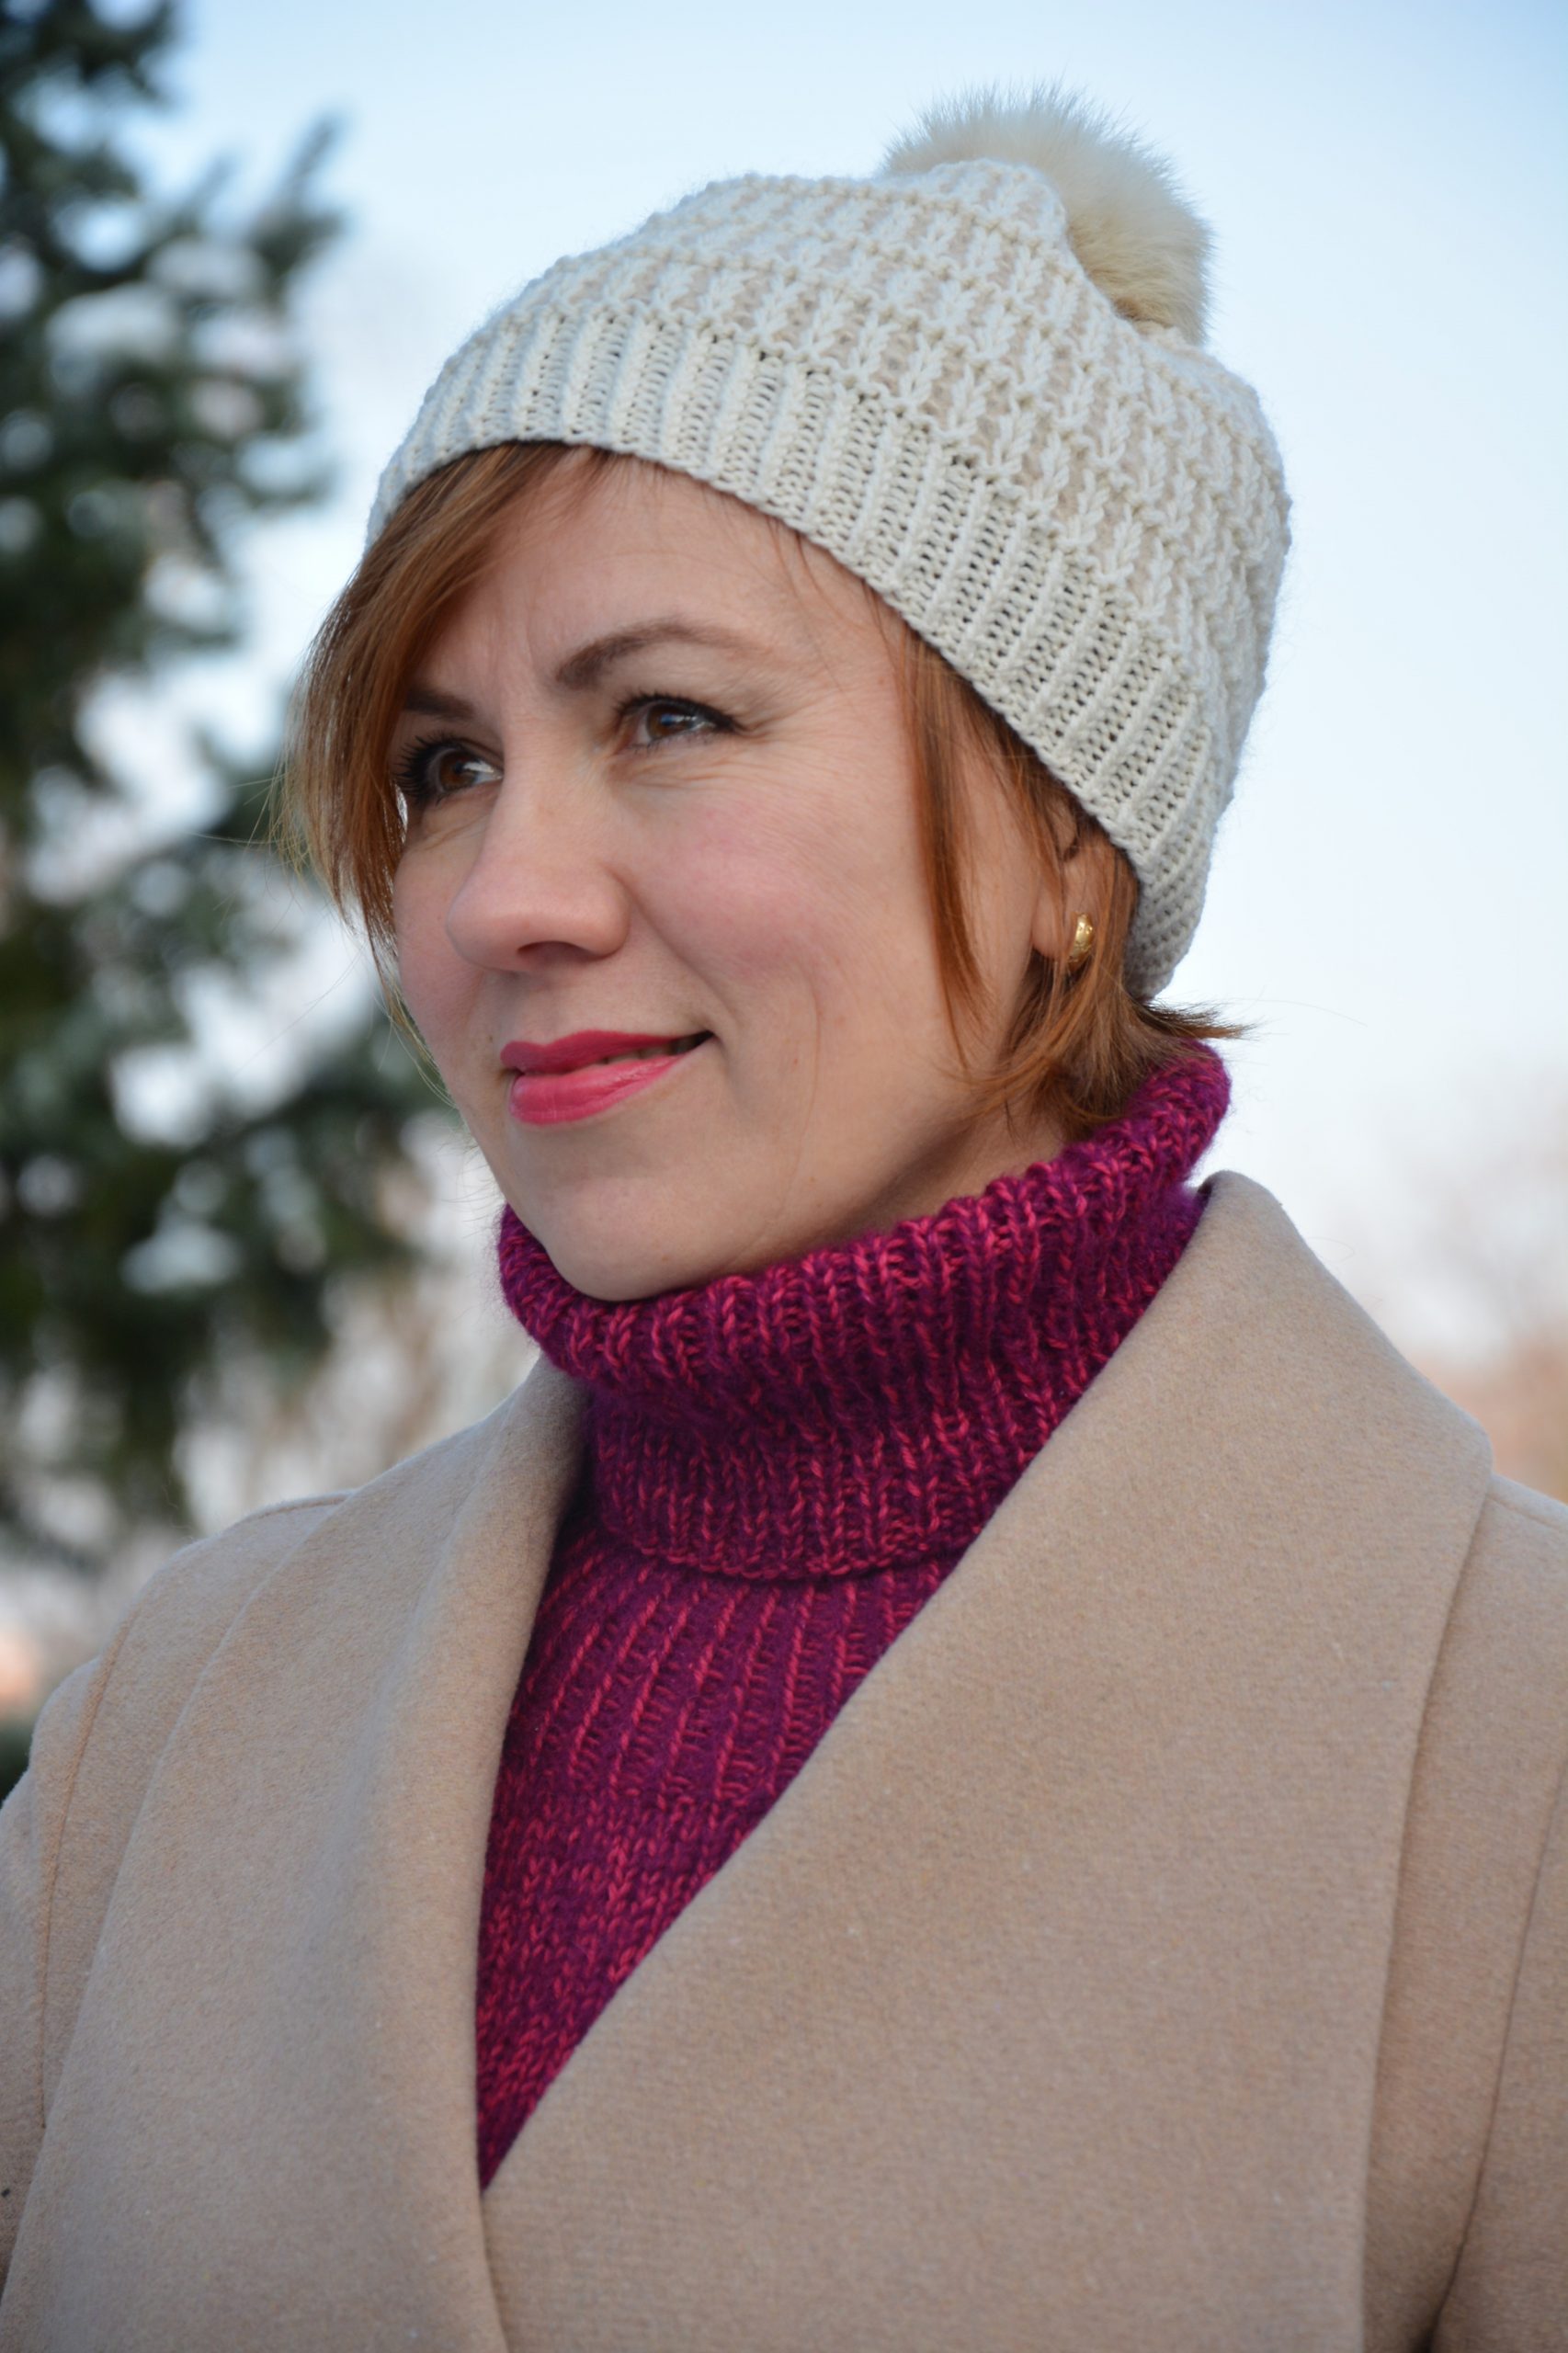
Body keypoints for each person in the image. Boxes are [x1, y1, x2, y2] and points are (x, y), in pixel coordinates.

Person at [1, 81, 1563, 2353]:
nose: (500, 896)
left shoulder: (1507, 1755)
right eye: (442, 766)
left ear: (1066, 840)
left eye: (666, 716)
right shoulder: (170, 1721)